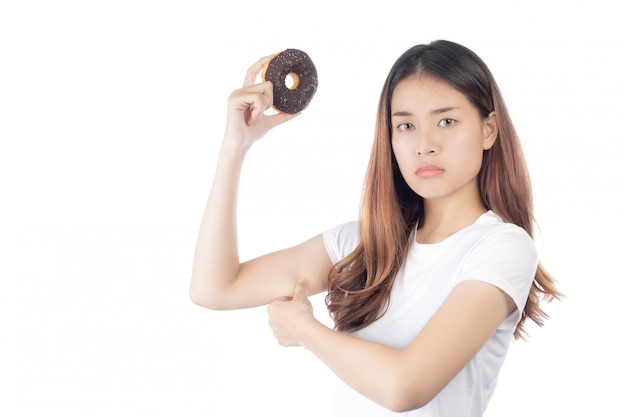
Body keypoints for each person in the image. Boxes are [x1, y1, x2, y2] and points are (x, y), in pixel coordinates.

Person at [190, 40, 562, 416]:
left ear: (488, 129)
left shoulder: (502, 247)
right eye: (406, 125)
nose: (424, 145)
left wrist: (306, 331)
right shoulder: (362, 243)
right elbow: (215, 288)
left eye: (446, 121)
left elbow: (405, 386)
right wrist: (234, 147)